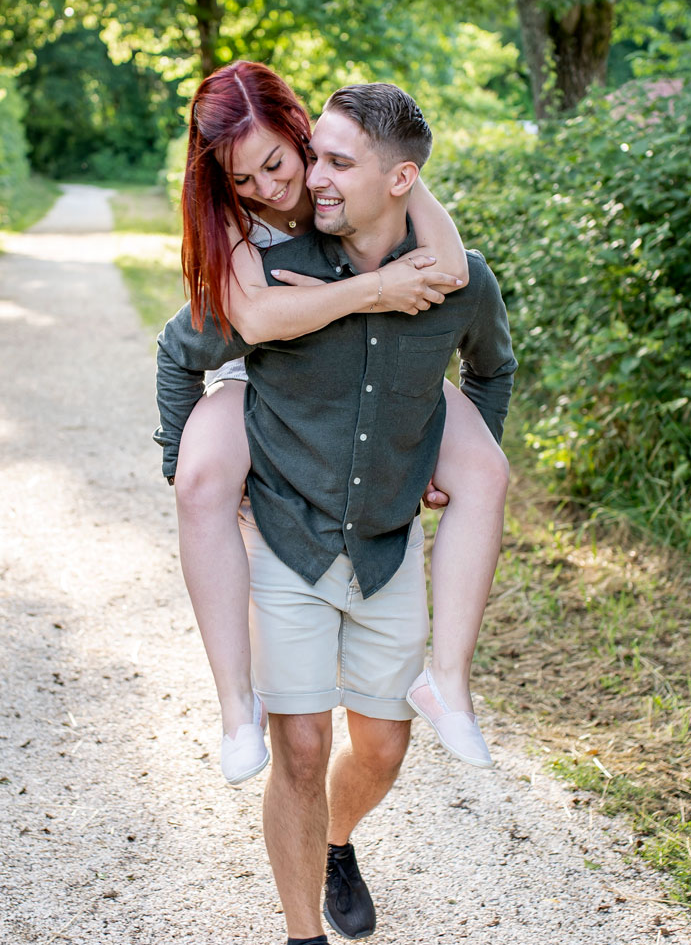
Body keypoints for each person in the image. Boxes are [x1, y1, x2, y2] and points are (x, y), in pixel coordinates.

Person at [155, 82, 517, 945]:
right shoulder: (259, 253)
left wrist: (444, 448)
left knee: (384, 743)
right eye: (260, 173)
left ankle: (340, 837)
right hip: (283, 495)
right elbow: (203, 338)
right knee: (301, 741)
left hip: (385, 523)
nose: (289, 183)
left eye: (302, 159)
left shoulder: (435, 260)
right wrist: (187, 465)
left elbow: (480, 334)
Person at [171, 62, 510, 786]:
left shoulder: (351, 173)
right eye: (244, 179)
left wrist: (435, 453)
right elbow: (253, 319)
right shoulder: (238, 223)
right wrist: (376, 289)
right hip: (260, 362)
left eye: (276, 162)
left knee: (485, 469)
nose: (270, 187)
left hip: (373, 362)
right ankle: (237, 706)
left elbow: (451, 268)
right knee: (200, 479)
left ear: (301, 135)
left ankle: (448, 681)